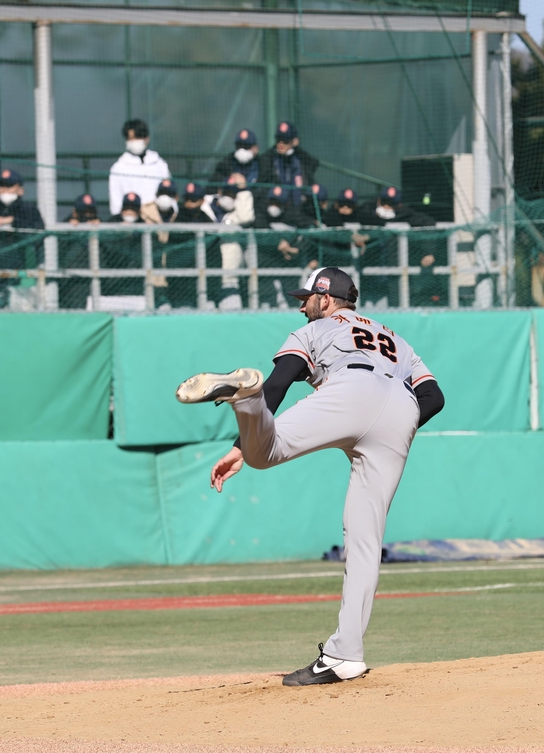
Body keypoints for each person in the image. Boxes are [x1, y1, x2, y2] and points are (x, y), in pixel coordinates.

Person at [176, 266, 445, 686]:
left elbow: (280, 383)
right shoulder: (396, 336)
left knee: (264, 454)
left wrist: (240, 445)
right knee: (365, 537)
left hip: (351, 388)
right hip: (402, 405)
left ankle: (243, 400)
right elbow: (434, 397)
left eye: (307, 297)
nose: (301, 305)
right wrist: (398, 422)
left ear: (326, 297)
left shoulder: (314, 332)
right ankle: (345, 656)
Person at [0, 169, 45, 276]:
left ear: (20, 190)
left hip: (22, 265)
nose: (4, 190)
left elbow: (38, 232)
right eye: (1, 186)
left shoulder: (28, 209)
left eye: (9, 186)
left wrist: (13, 221)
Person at [108, 118, 171, 217]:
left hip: (158, 219)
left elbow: (169, 193)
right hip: (131, 220)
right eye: (131, 138)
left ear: (147, 139)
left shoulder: (159, 164)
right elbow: (115, 202)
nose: (135, 142)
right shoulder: (118, 167)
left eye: (138, 138)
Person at [216, 173, 256, 310]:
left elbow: (246, 217)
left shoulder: (237, 213)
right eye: (226, 192)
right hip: (206, 271)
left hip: (229, 280)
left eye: (232, 194)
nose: (228, 197)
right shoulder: (207, 207)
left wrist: (243, 190)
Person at [258, 121, 319, 203]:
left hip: (298, 208)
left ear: (295, 141)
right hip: (275, 204)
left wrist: (295, 149)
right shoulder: (268, 159)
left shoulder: (301, 160)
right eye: (278, 139)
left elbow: (313, 164)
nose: (281, 143)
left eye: (286, 140)